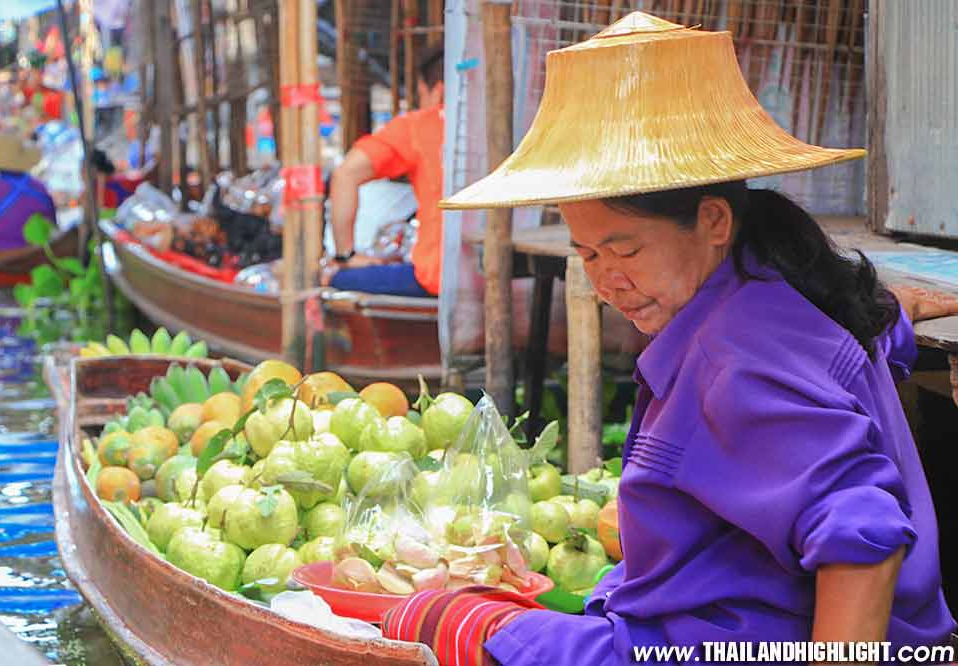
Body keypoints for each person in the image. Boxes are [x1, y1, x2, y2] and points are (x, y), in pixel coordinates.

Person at [382, 13, 957, 664]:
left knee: (433, 618)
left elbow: (863, 526)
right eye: (589, 254)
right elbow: (865, 352)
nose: (607, 281)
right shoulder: (783, 291)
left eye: (624, 249)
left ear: (713, 220)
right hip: (725, 621)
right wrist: (896, 309)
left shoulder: (740, 358)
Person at [322, 47, 444, 298]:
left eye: (421, 93)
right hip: (519, 277)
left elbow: (345, 174)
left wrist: (346, 255)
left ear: (438, 90)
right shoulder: (515, 122)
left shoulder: (421, 126)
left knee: (333, 278)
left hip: (440, 279)